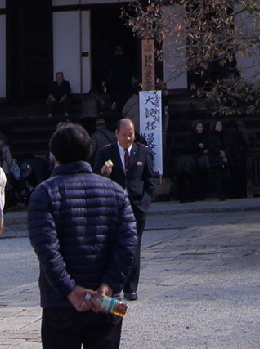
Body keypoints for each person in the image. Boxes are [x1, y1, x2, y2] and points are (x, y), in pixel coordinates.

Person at [28, 122, 138, 349]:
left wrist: (69, 289)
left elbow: (47, 249)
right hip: (105, 300)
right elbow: (128, 245)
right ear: (89, 152)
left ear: (54, 155)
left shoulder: (44, 193)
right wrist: (109, 284)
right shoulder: (116, 191)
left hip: (60, 302)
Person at [91, 118, 154, 300]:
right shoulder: (106, 152)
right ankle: (114, 285)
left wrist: (144, 203)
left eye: (130, 134)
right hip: (113, 206)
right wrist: (103, 172)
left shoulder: (142, 151)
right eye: (124, 135)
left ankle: (131, 287)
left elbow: (150, 181)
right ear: (117, 134)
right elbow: (95, 175)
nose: (127, 138)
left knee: (134, 246)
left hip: (136, 206)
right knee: (112, 246)